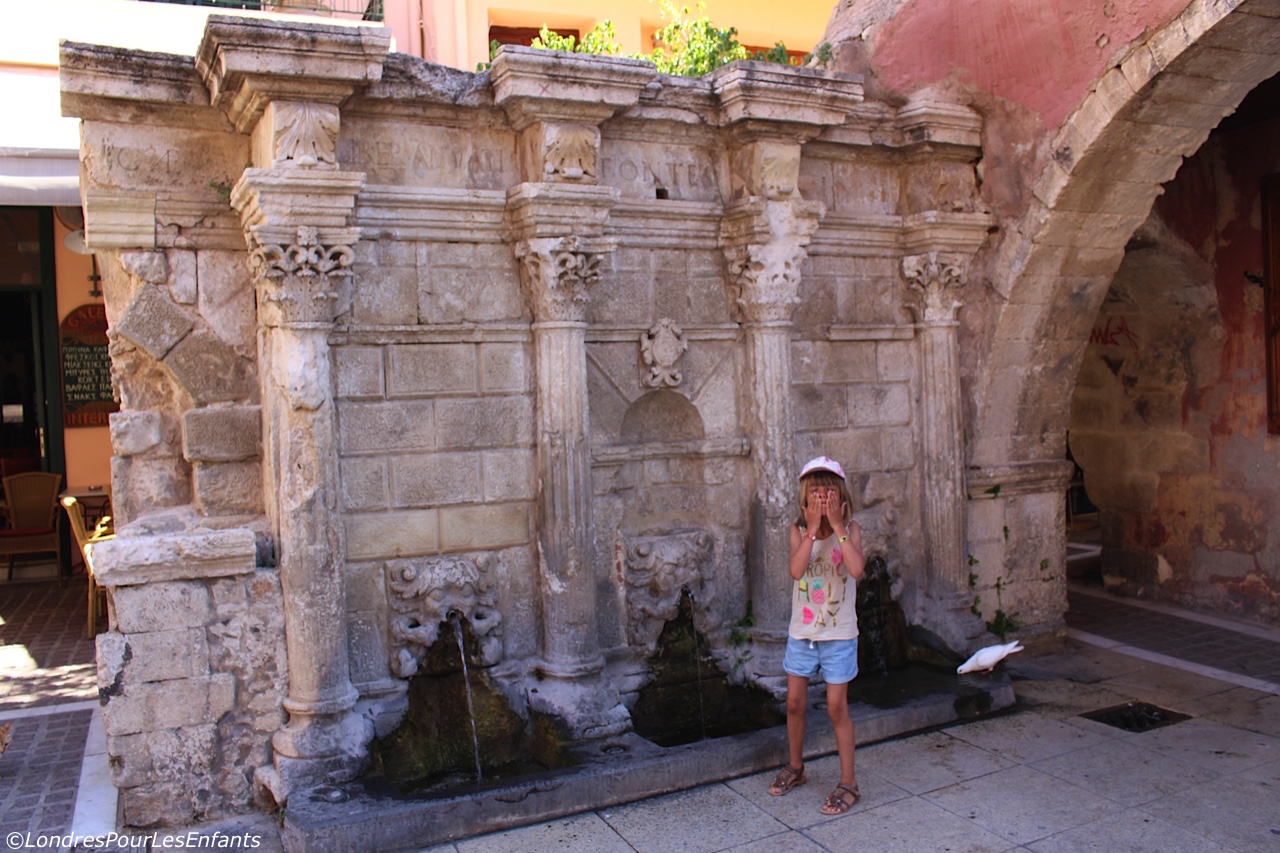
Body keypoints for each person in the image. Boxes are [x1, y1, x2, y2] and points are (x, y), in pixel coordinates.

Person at [767, 455, 866, 815]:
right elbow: (796, 571)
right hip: (803, 635)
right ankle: (796, 767)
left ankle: (849, 782)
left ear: (840, 496)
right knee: (794, 703)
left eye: (828, 492)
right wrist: (811, 530)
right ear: (804, 500)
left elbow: (856, 568)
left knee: (837, 707)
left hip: (839, 636)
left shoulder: (850, 529)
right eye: (815, 493)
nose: (821, 499)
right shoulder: (797, 532)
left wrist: (838, 526)